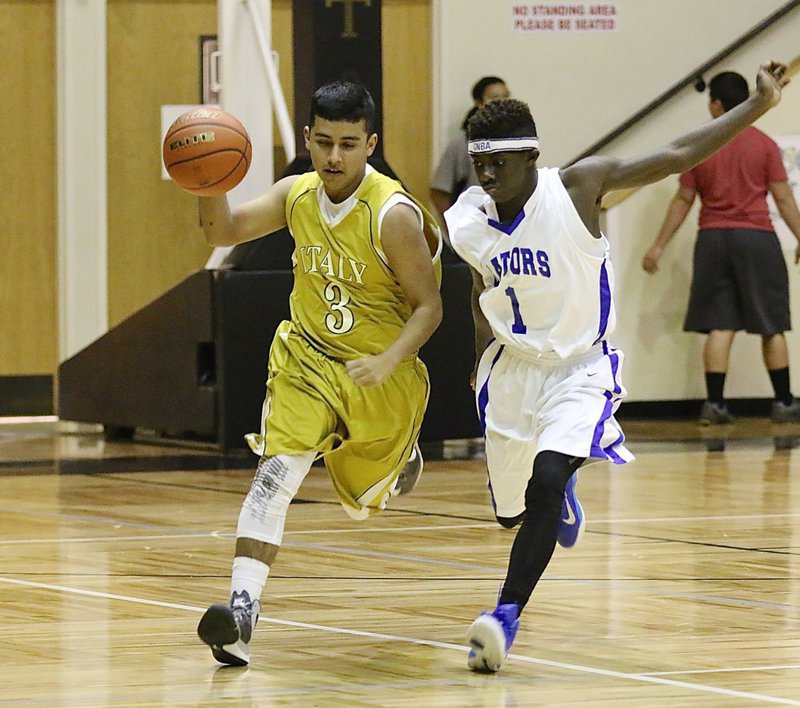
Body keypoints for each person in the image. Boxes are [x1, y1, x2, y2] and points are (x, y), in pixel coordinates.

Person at [444, 62, 789, 673]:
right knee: (512, 512)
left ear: (532, 157)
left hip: (579, 368)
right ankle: (562, 483)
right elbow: (480, 294)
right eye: (480, 163)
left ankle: (503, 616)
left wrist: (757, 107)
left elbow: (679, 152)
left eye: (500, 162)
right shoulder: (469, 218)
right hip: (511, 370)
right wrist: (478, 363)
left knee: (545, 482)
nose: (488, 174)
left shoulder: (579, 188)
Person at [190, 80, 443, 666]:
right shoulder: (297, 194)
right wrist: (207, 183)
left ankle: (397, 462)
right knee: (274, 476)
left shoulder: (392, 214)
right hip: (306, 358)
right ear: (307, 138)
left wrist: (388, 359)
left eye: (349, 144)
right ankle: (241, 611)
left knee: (361, 504)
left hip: (378, 373)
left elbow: (431, 306)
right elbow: (223, 231)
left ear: (371, 145)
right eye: (324, 142)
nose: (334, 157)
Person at [642, 71, 800, 425]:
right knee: (771, 323)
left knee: (720, 323)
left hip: (713, 238)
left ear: (716, 104)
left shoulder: (702, 146)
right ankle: (785, 402)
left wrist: (658, 245)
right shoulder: (764, 144)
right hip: (757, 238)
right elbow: (784, 198)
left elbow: (683, 199)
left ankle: (715, 404)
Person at [430, 76, 510, 239]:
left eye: (506, 96)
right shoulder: (461, 143)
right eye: (494, 98)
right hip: (475, 232)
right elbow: (439, 192)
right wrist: (454, 230)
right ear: (479, 103)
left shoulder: (516, 141)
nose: (502, 103)